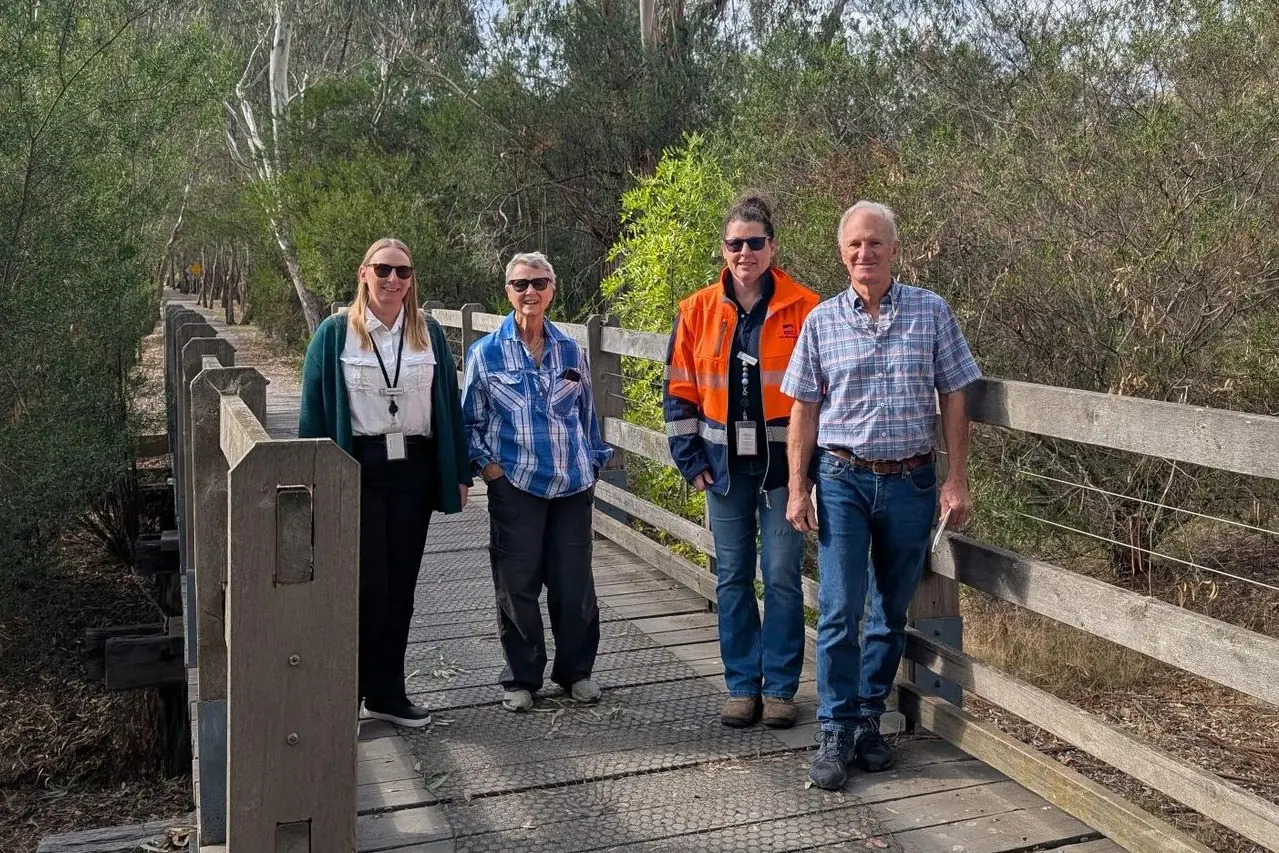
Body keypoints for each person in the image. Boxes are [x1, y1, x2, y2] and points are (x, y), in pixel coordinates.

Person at [781, 201, 981, 789]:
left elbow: (957, 394)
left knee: (890, 611)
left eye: (874, 243)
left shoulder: (930, 311)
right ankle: (835, 729)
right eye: (853, 245)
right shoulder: (821, 321)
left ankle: (869, 717)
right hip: (841, 477)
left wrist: (956, 478)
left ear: (894, 249)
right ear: (841, 253)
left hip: (912, 480)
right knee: (842, 608)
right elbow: (803, 408)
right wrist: (798, 488)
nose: (863, 253)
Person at [298, 238, 472, 728]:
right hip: (358, 470)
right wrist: (311, 481)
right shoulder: (335, 335)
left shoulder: (428, 335)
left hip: (412, 471)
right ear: (364, 273)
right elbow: (312, 415)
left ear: (412, 279)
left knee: (401, 586)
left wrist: (457, 472)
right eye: (383, 270)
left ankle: (388, 693)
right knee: (364, 584)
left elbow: (448, 408)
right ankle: (347, 694)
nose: (393, 280)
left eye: (402, 272)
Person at [663, 194, 820, 729]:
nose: (745, 252)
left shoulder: (807, 307)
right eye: (736, 243)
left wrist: (810, 471)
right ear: (723, 250)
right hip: (722, 464)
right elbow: (680, 390)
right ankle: (740, 684)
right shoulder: (697, 309)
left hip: (784, 468)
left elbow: (822, 395)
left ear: (772, 247)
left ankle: (779, 688)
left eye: (755, 242)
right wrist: (688, 458)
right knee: (731, 575)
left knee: (779, 574)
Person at [461, 251, 613, 712]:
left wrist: (593, 461)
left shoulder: (570, 350)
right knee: (517, 583)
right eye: (521, 284)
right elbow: (469, 421)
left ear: (552, 289)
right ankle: (522, 677)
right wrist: (490, 470)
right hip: (517, 484)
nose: (531, 292)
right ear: (507, 291)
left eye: (540, 283)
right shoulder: (485, 353)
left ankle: (576, 672)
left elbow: (588, 415)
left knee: (574, 584)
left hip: (571, 484)